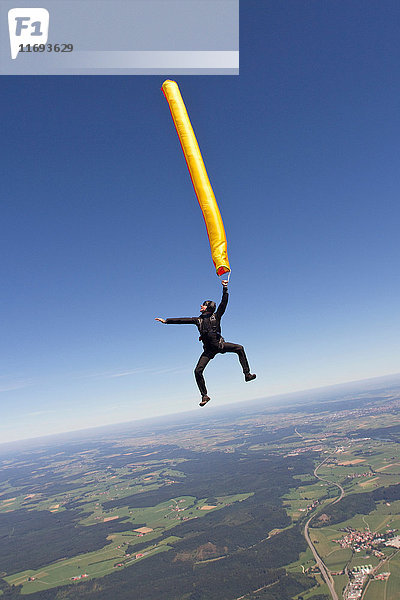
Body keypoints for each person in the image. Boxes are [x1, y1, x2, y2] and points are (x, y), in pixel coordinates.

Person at [155, 280, 256, 407]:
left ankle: (247, 374)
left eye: (203, 305)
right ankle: (205, 395)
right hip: (208, 351)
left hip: (220, 345)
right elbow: (182, 320)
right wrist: (166, 321)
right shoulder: (198, 320)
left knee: (240, 348)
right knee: (197, 371)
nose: (201, 306)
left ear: (208, 307)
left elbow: (223, 303)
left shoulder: (216, 316)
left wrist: (225, 288)